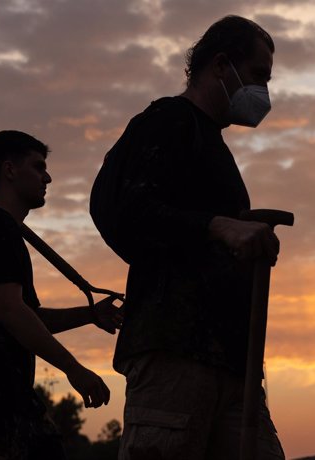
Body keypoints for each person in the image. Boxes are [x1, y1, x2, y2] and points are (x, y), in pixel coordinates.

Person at [109, 16, 286, 459]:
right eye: (259, 76)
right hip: (176, 354)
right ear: (222, 65)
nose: (264, 92)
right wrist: (221, 226)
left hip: (231, 363)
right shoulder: (168, 121)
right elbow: (126, 211)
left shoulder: (212, 145)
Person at [0, 130, 123, 460]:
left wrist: (90, 314)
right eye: (38, 167)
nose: (47, 177)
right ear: (10, 170)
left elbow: (26, 315)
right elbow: (9, 311)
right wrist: (73, 368)